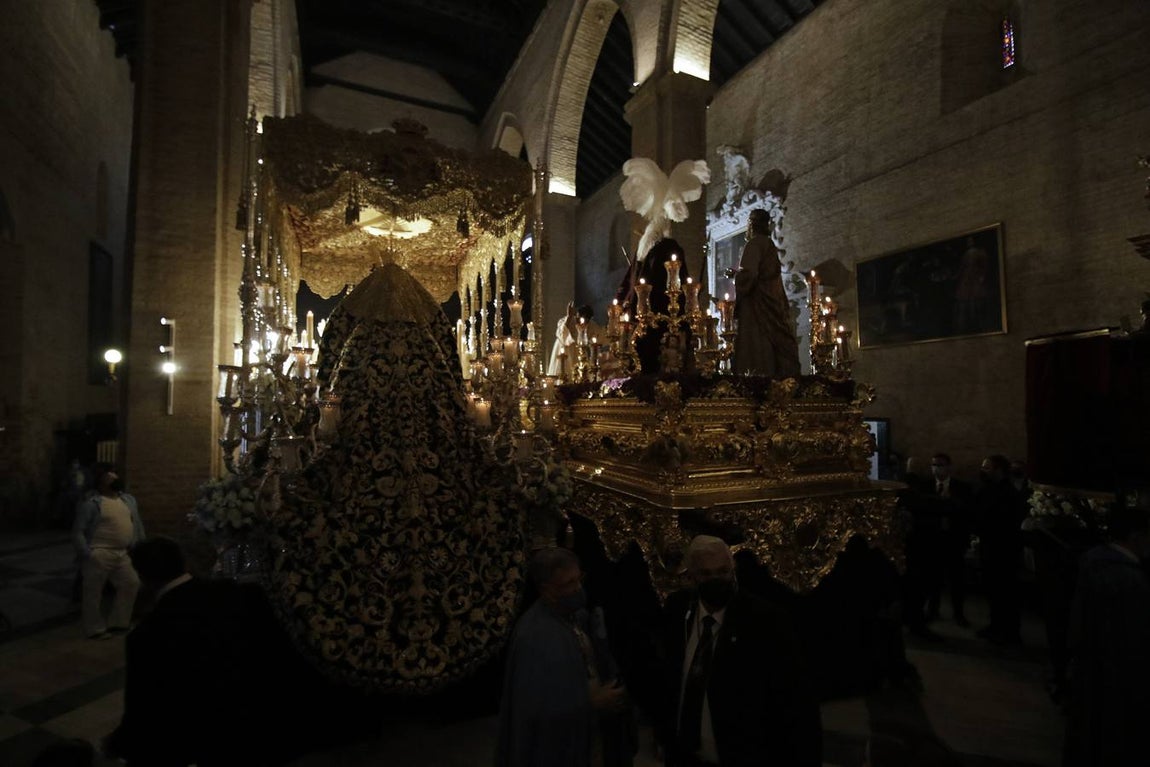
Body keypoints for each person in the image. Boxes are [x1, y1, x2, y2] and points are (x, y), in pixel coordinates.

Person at [103, 536, 322, 766]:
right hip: (268, 717)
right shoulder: (239, 593)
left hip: (213, 734)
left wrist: (118, 744)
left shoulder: (147, 635)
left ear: (143, 578)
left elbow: (146, 708)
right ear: (184, 564)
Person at [658, 535, 821, 766]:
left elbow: (796, 701)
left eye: (723, 572)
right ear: (692, 577)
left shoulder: (764, 621)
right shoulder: (678, 611)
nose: (716, 580)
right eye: (706, 574)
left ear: (733, 572)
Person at [497, 547, 629, 767]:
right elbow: (533, 709)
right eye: (569, 584)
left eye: (579, 579)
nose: (578, 588)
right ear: (547, 590)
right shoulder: (533, 636)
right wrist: (591, 703)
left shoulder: (575, 616)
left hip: (589, 738)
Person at [1062, 506, 1150, 766]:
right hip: (1117, 672)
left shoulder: (1094, 561)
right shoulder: (1130, 579)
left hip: (1089, 665)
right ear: (1136, 536)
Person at [71, 463, 143, 639]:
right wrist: (87, 553)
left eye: (115, 474)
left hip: (121, 553)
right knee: (93, 592)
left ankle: (119, 622)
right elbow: (78, 530)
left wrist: (139, 543)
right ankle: (94, 629)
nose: (114, 477)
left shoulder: (127, 500)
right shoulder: (92, 504)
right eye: (109, 475)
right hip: (99, 552)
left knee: (131, 583)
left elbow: (136, 523)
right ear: (102, 481)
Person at [730, 208, 801, 378]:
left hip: (757, 304)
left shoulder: (754, 244)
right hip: (771, 300)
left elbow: (749, 275)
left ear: (751, 225)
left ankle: (756, 379)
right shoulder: (769, 245)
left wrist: (735, 276)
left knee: (756, 343)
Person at [974, 455, 1024, 644]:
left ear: (998, 470)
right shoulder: (989, 489)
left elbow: (1003, 521)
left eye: (987, 468)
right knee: (993, 591)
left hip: (1003, 551)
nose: (983, 471)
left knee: (1005, 592)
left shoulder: (1008, 493)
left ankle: (1009, 632)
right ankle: (996, 626)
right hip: (990, 547)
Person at [926, 453, 973, 628]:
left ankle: (958, 613)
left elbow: (966, 513)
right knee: (933, 578)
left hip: (954, 540)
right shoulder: (925, 486)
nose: (937, 468)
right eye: (934, 465)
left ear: (949, 467)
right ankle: (933, 610)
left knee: (957, 580)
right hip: (933, 540)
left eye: (940, 465)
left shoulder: (962, 488)